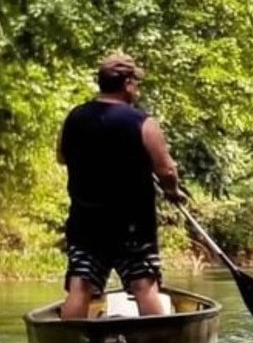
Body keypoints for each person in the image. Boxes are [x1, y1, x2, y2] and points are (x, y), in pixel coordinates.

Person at [56, 53, 186, 320]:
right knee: (143, 285)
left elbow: (62, 157)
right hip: (132, 225)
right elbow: (166, 170)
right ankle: (155, 341)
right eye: (136, 83)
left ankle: (69, 340)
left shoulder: (74, 118)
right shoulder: (142, 123)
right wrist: (172, 191)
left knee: (81, 285)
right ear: (127, 83)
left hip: (86, 222)